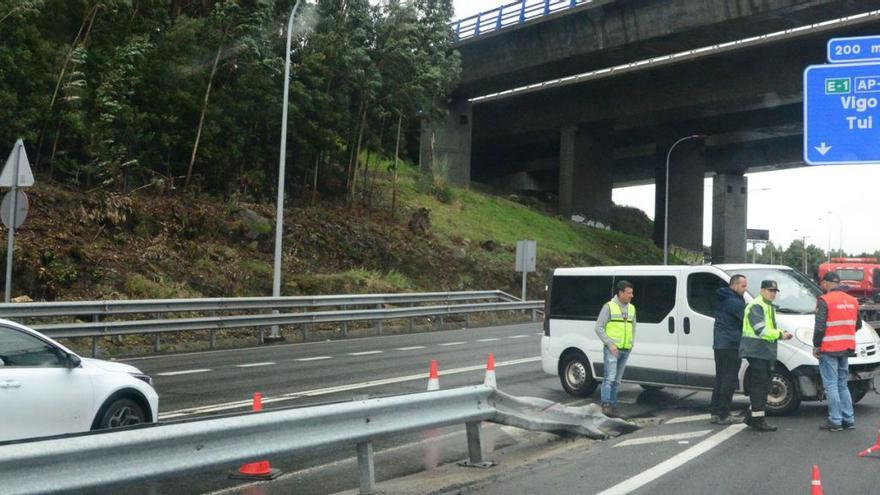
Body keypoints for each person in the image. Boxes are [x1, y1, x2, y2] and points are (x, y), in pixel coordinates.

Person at [739, 280, 792, 431]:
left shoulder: (767, 306)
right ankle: (758, 420)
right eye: (770, 290)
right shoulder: (756, 305)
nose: (773, 293)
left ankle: (752, 416)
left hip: (763, 351)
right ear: (761, 290)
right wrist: (782, 334)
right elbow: (761, 331)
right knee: (760, 386)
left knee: (764, 385)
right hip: (756, 350)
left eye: (775, 291)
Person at [813, 271, 861, 431]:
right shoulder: (852, 301)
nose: (821, 286)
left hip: (829, 348)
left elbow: (820, 327)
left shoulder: (824, 300)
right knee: (842, 384)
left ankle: (835, 420)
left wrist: (816, 345)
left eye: (821, 283)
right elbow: (858, 325)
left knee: (831, 385)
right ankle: (848, 419)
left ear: (826, 283)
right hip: (847, 347)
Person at [709, 274, 747, 425]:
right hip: (731, 344)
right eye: (743, 286)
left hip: (719, 344)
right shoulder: (734, 302)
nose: (745, 289)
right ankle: (724, 414)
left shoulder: (723, 297)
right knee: (729, 380)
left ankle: (715, 412)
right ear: (735, 285)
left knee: (720, 378)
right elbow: (746, 320)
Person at [595, 280, 636, 417]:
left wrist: (631, 344)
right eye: (629, 293)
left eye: (632, 293)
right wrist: (610, 344)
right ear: (620, 293)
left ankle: (613, 406)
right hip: (612, 349)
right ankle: (606, 405)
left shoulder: (632, 308)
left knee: (617, 380)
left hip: (625, 349)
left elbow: (633, 327)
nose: (632, 295)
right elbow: (598, 327)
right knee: (610, 378)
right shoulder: (609, 307)